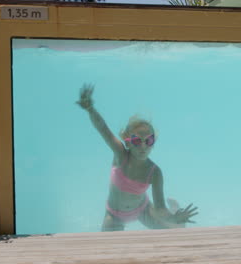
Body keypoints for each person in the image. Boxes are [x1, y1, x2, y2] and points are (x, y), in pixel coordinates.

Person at [77, 83, 198, 231]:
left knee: (172, 230)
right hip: (114, 214)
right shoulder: (121, 155)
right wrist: (90, 109)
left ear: (153, 144)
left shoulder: (154, 172)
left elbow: (160, 208)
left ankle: (175, 211)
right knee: (108, 246)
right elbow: (103, 129)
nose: (143, 146)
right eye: (136, 141)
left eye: (149, 141)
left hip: (142, 210)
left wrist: (174, 218)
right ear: (127, 142)